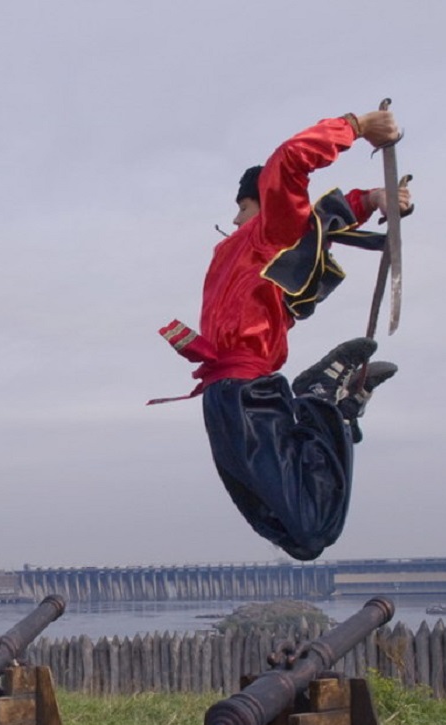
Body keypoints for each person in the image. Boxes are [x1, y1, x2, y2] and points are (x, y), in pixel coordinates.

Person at [154, 107, 413, 561]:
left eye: (242, 207)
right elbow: (317, 225)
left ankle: (321, 401)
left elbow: (289, 161)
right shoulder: (248, 249)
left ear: (261, 205)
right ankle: (334, 410)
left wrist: (357, 126)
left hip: (245, 391)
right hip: (227, 395)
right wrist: (371, 200)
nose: (234, 221)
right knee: (292, 532)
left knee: (309, 532)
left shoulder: (264, 234)